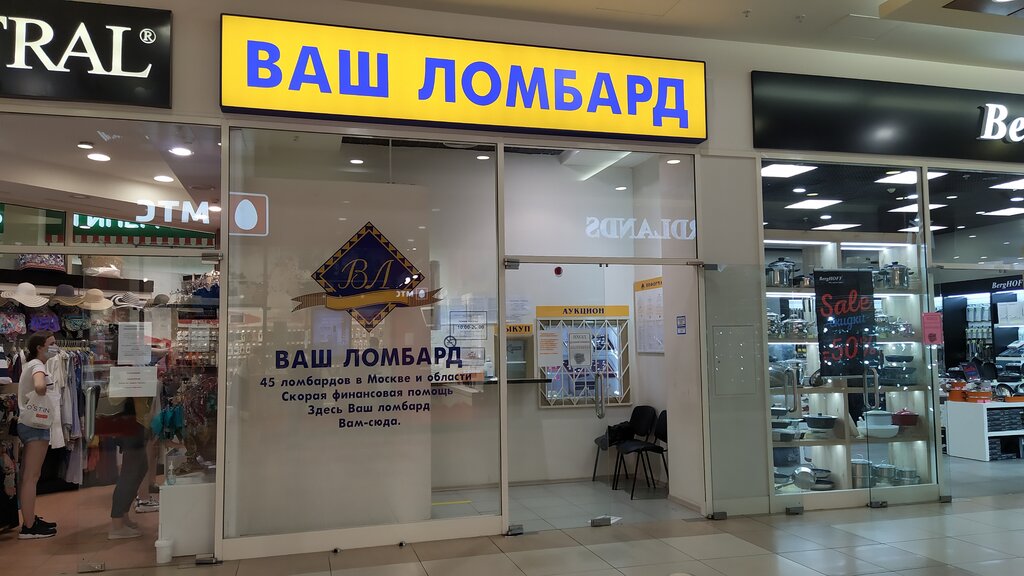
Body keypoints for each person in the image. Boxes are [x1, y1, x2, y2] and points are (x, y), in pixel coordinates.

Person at [16, 331, 58, 539]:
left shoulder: (31, 365)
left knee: (28, 476)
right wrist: (42, 392)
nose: (55, 347)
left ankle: (30, 519)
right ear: (40, 347)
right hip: (35, 426)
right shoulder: (38, 366)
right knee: (31, 477)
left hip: (28, 424)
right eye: (52, 344)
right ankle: (29, 526)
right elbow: (40, 386)